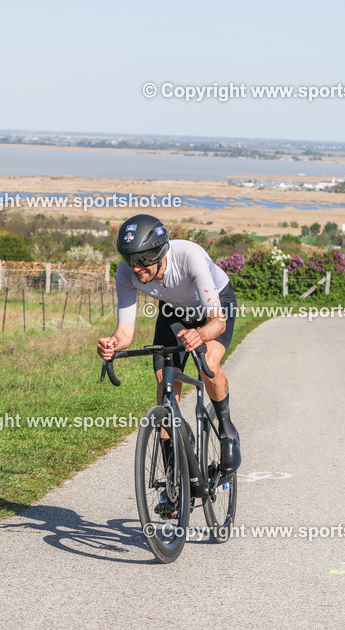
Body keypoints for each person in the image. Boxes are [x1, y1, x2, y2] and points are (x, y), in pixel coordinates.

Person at [97, 214, 241, 512]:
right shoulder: (126, 272)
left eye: (142, 260)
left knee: (208, 364)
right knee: (165, 387)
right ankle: (174, 484)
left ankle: (226, 429)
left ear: (161, 252)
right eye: (129, 260)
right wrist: (112, 344)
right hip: (174, 312)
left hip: (213, 307)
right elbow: (125, 331)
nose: (136, 268)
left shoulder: (189, 256)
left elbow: (217, 323)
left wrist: (200, 334)